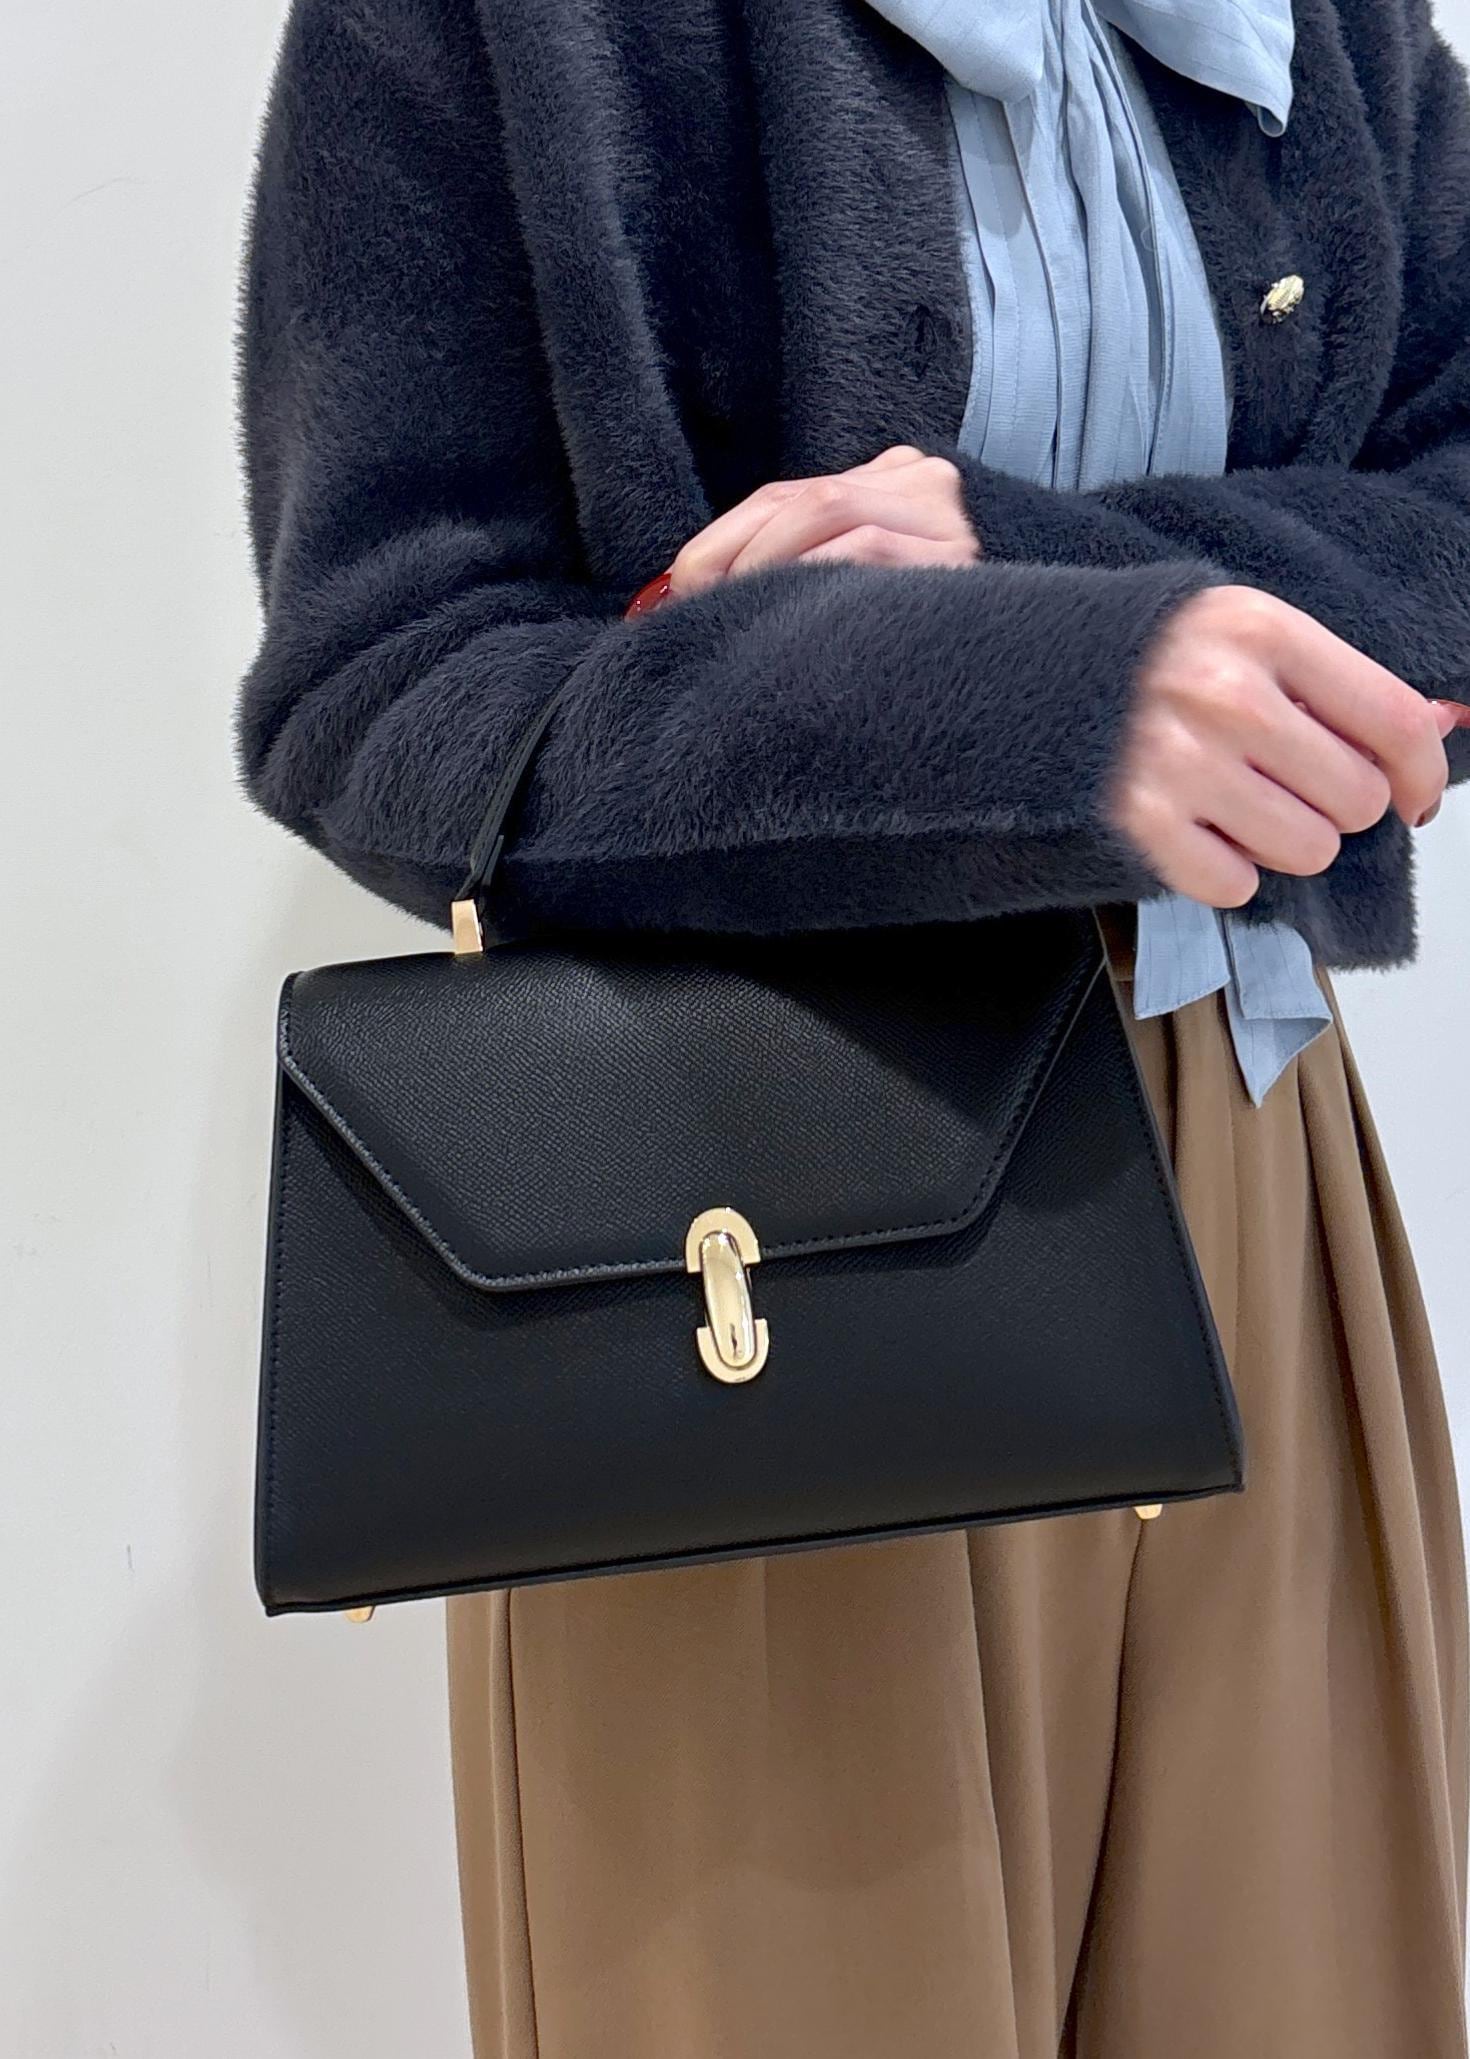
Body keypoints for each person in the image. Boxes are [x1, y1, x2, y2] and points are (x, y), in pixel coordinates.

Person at [234, 0, 1470, 2051]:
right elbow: (383, 682)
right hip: (760, 1257)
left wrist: (1053, 567)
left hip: (1257, 1166)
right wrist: (1014, 701)